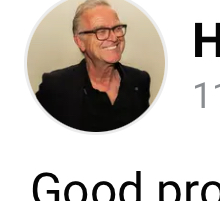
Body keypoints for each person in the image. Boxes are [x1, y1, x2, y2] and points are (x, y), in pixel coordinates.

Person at [36, 4, 151, 132]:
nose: (114, 38)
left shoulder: (139, 81)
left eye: (117, 28)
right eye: (101, 31)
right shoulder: (55, 87)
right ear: (80, 42)